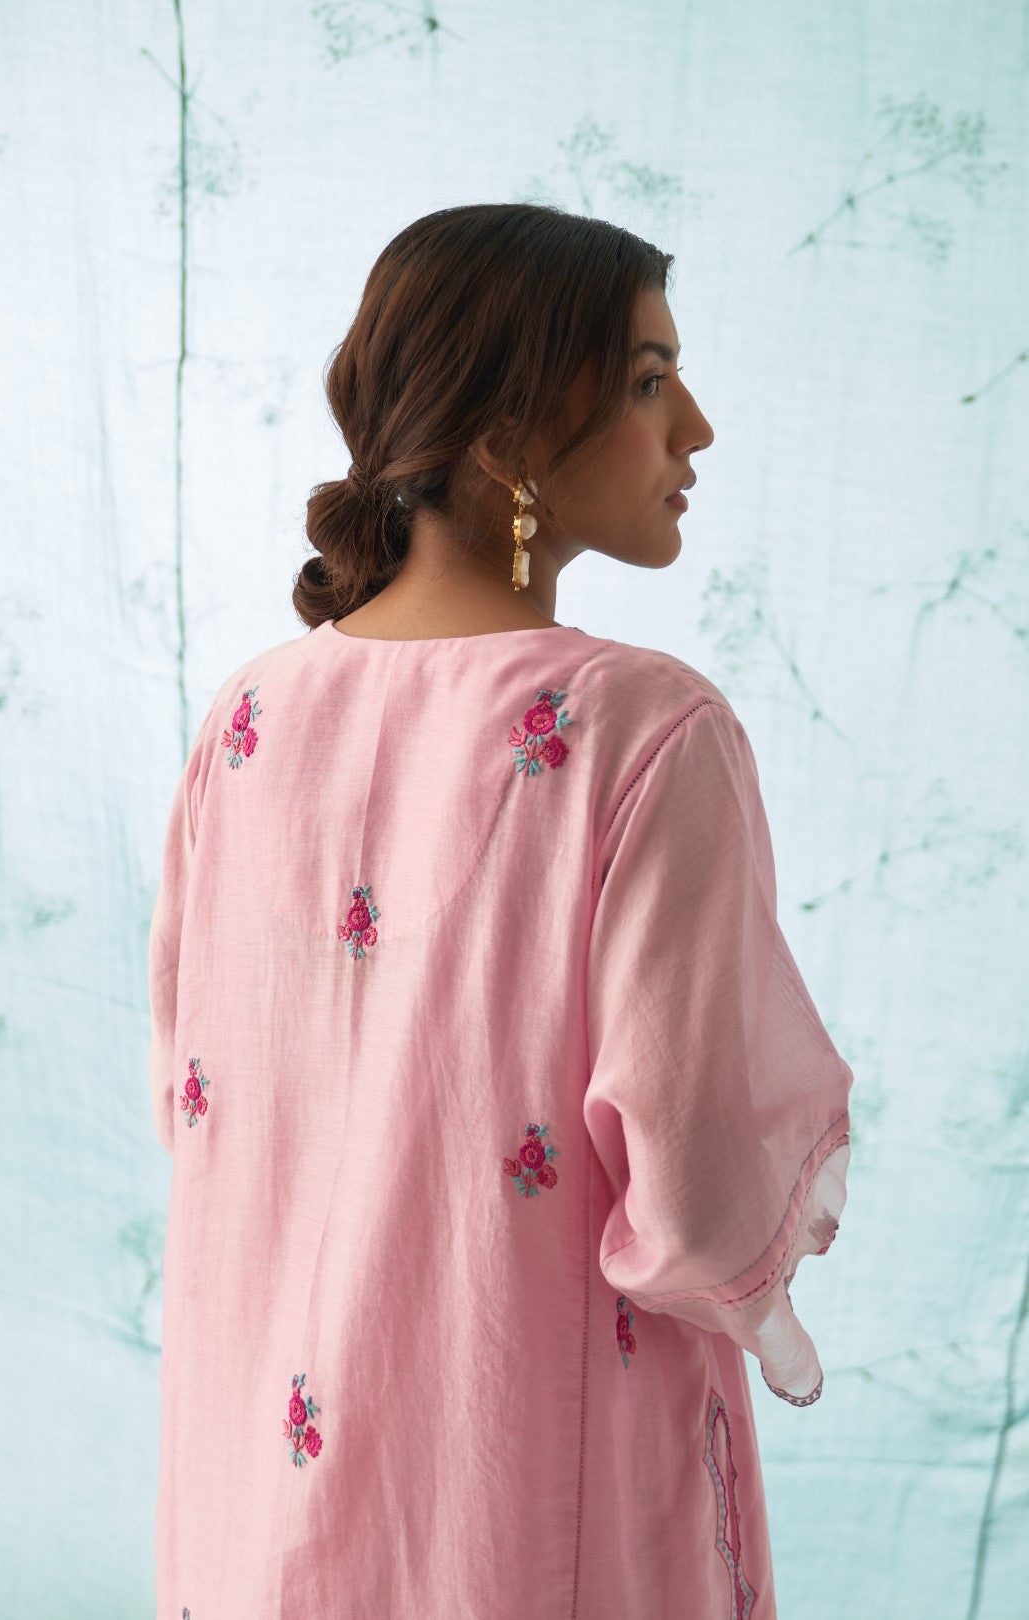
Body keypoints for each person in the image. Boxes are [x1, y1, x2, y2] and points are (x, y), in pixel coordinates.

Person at [148, 201, 853, 1619]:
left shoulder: (248, 718)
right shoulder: (647, 730)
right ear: (507, 429)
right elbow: (704, 1201)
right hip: (526, 1494)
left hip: (258, 1502)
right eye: (649, 380)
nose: (697, 428)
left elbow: (196, 1104)